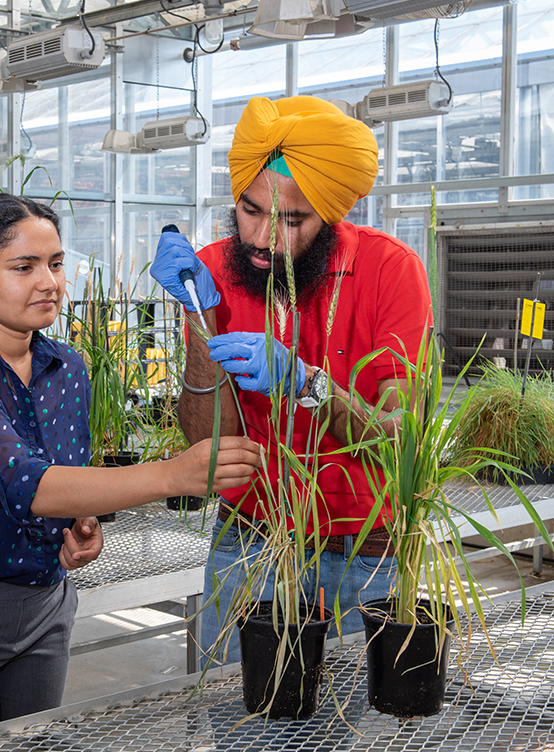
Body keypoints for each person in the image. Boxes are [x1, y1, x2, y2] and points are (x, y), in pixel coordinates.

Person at [0, 192, 262, 743]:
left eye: (56, 264)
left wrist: (82, 525)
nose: (48, 281)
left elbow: (62, 480)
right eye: (24, 266)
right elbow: (25, 481)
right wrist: (173, 475)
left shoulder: (67, 368)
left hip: (42, 613)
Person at [149, 96, 433, 668]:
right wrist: (203, 324)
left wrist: (309, 385)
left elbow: (402, 439)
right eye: (250, 210)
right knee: (237, 716)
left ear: (331, 216)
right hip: (248, 540)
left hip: (361, 552)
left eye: (291, 220)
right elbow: (209, 447)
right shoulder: (212, 271)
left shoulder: (389, 270)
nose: (262, 237)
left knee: (364, 719)